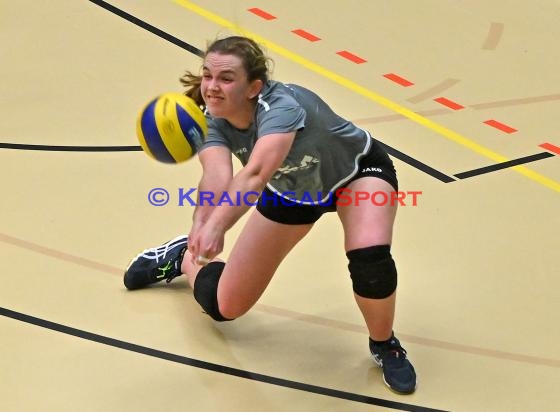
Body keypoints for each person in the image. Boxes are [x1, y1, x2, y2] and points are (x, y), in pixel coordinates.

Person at [124, 36, 417, 394]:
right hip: (293, 191)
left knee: (370, 256)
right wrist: (200, 228)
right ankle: (184, 259)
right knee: (225, 307)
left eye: (226, 78)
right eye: (208, 76)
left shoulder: (280, 106)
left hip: (355, 173)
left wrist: (219, 225)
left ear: (254, 87)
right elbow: (216, 177)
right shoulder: (207, 121)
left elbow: (256, 173)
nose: (213, 87)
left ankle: (385, 345)